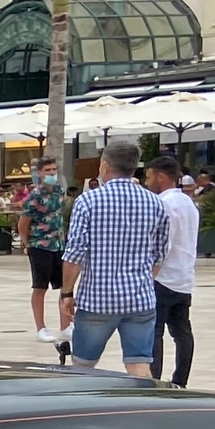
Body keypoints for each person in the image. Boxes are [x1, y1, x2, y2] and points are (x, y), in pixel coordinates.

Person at [58, 139, 165, 377]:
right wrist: (143, 280)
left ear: (105, 166)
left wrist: (67, 292)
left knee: (83, 365)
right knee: (139, 364)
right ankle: (142, 408)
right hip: (140, 299)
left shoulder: (88, 201)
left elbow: (75, 253)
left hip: (97, 299)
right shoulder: (155, 203)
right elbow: (159, 255)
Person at [144, 153, 199, 387]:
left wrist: (150, 273)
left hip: (164, 278)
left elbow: (162, 243)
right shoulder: (188, 202)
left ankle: (153, 381)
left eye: (149, 178)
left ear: (161, 177)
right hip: (184, 277)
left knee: (154, 332)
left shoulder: (164, 204)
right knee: (182, 332)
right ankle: (180, 379)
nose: (147, 183)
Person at [17, 156, 70, 347]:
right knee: (40, 287)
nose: (51, 173)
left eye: (53, 170)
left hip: (59, 244)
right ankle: (41, 328)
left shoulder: (58, 191)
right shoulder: (34, 197)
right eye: (47, 170)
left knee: (65, 286)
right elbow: (23, 224)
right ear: (39, 173)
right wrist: (27, 243)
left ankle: (66, 325)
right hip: (40, 245)